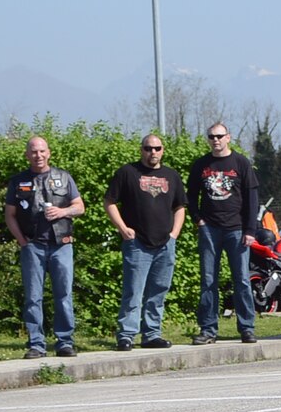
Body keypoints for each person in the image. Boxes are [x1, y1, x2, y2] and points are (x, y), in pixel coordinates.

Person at [4, 136, 85, 359]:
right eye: (33, 152)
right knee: (33, 297)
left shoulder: (64, 177)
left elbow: (80, 207)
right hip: (33, 246)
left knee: (64, 294)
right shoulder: (17, 181)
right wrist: (22, 241)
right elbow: (10, 215)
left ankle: (65, 342)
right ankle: (36, 344)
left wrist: (63, 212)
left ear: (48, 152)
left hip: (62, 245)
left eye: (41, 151)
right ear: (27, 155)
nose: (38, 156)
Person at [105, 134, 187, 351]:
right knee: (133, 290)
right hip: (137, 243)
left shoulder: (171, 175)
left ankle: (151, 334)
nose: (153, 152)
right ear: (141, 150)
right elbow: (110, 202)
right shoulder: (127, 173)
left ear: (163, 150)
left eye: (157, 148)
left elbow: (180, 207)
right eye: (148, 148)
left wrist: (174, 234)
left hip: (165, 244)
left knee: (159, 290)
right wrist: (123, 228)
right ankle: (127, 335)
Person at [187, 121, 262, 345]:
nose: (216, 140)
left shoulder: (241, 163)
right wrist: (198, 219)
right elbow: (190, 195)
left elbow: (252, 198)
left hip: (237, 229)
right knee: (208, 279)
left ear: (228, 137)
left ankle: (247, 327)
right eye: (211, 137)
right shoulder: (201, 164)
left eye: (219, 136)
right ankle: (208, 329)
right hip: (210, 229)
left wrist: (250, 229)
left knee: (241, 279)